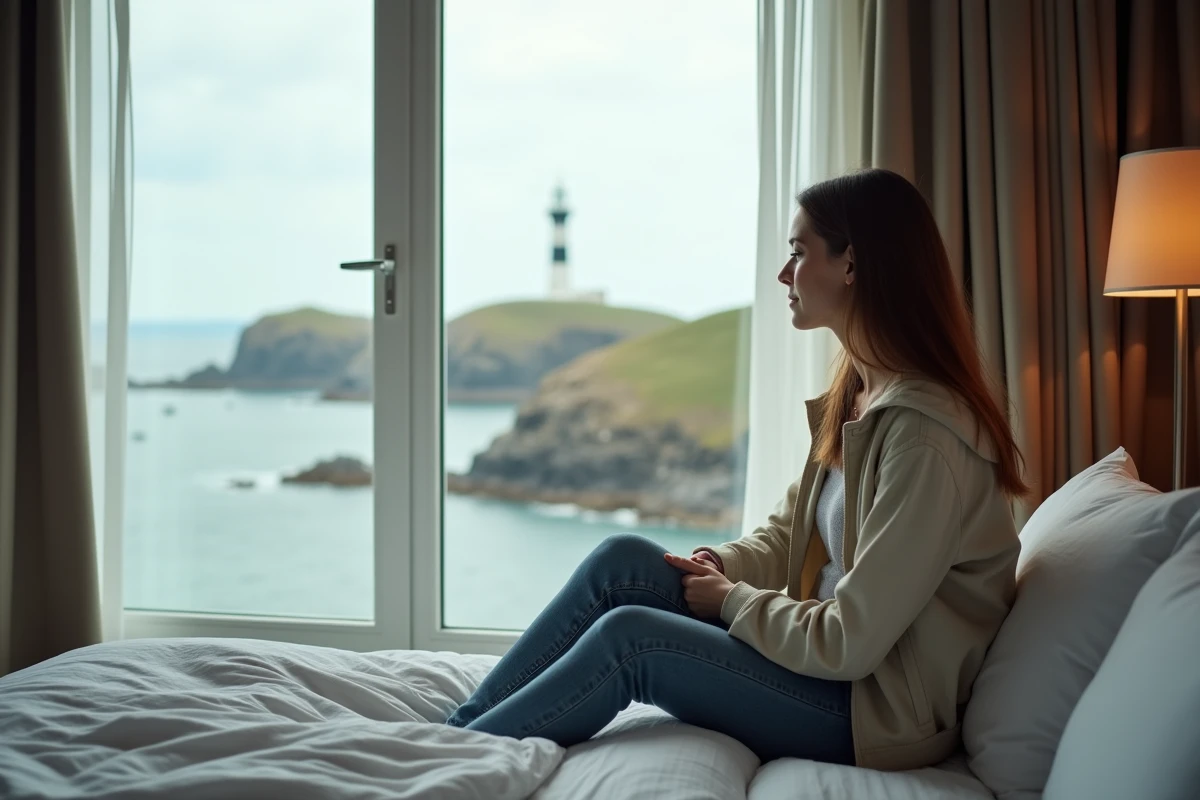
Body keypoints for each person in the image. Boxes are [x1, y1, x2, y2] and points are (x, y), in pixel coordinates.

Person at [444, 168, 1025, 771]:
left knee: (632, 640)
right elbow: (788, 534)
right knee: (622, 560)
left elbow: (852, 639)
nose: (783, 274)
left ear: (852, 264)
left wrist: (731, 601)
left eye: (799, 253)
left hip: (877, 712)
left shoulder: (924, 438)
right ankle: (456, 732)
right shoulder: (860, 393)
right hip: (829, 672)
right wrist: (723, 566)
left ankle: (464, 760)